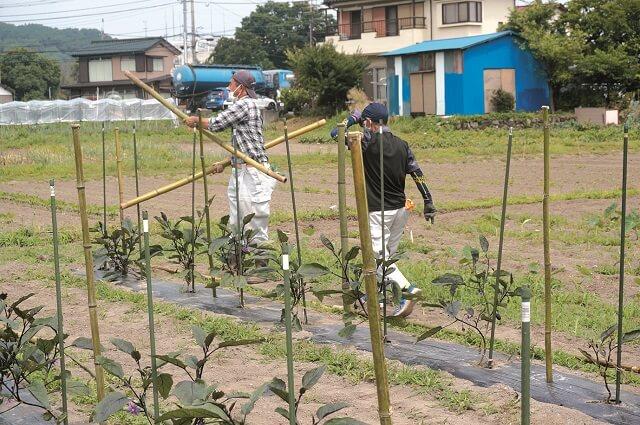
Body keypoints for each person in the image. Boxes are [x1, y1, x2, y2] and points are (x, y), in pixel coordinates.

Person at [334, 102, 436, 317]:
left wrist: (353, 118)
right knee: (386, 258)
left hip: (377, 212)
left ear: (369, 123)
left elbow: (336, 133)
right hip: (400, 210)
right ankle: (374, 298)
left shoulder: (364, 144)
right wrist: (428, 201)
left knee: (377, 259)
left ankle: (407, 290)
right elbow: (418, 173)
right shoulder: (402, 144)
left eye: (364, 123)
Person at [185, 70, 276, 245]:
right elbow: (241, 145)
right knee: (237, 219)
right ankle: (237, 261)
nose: (228, 87)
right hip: (241, 170)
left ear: (240, 87)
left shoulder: (245, 104)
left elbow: (217, 123)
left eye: (231, 84)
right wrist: (226, 163)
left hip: (253, 171)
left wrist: (196, 120)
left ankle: (260, 263)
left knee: (254, 218)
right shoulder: (245, 105)